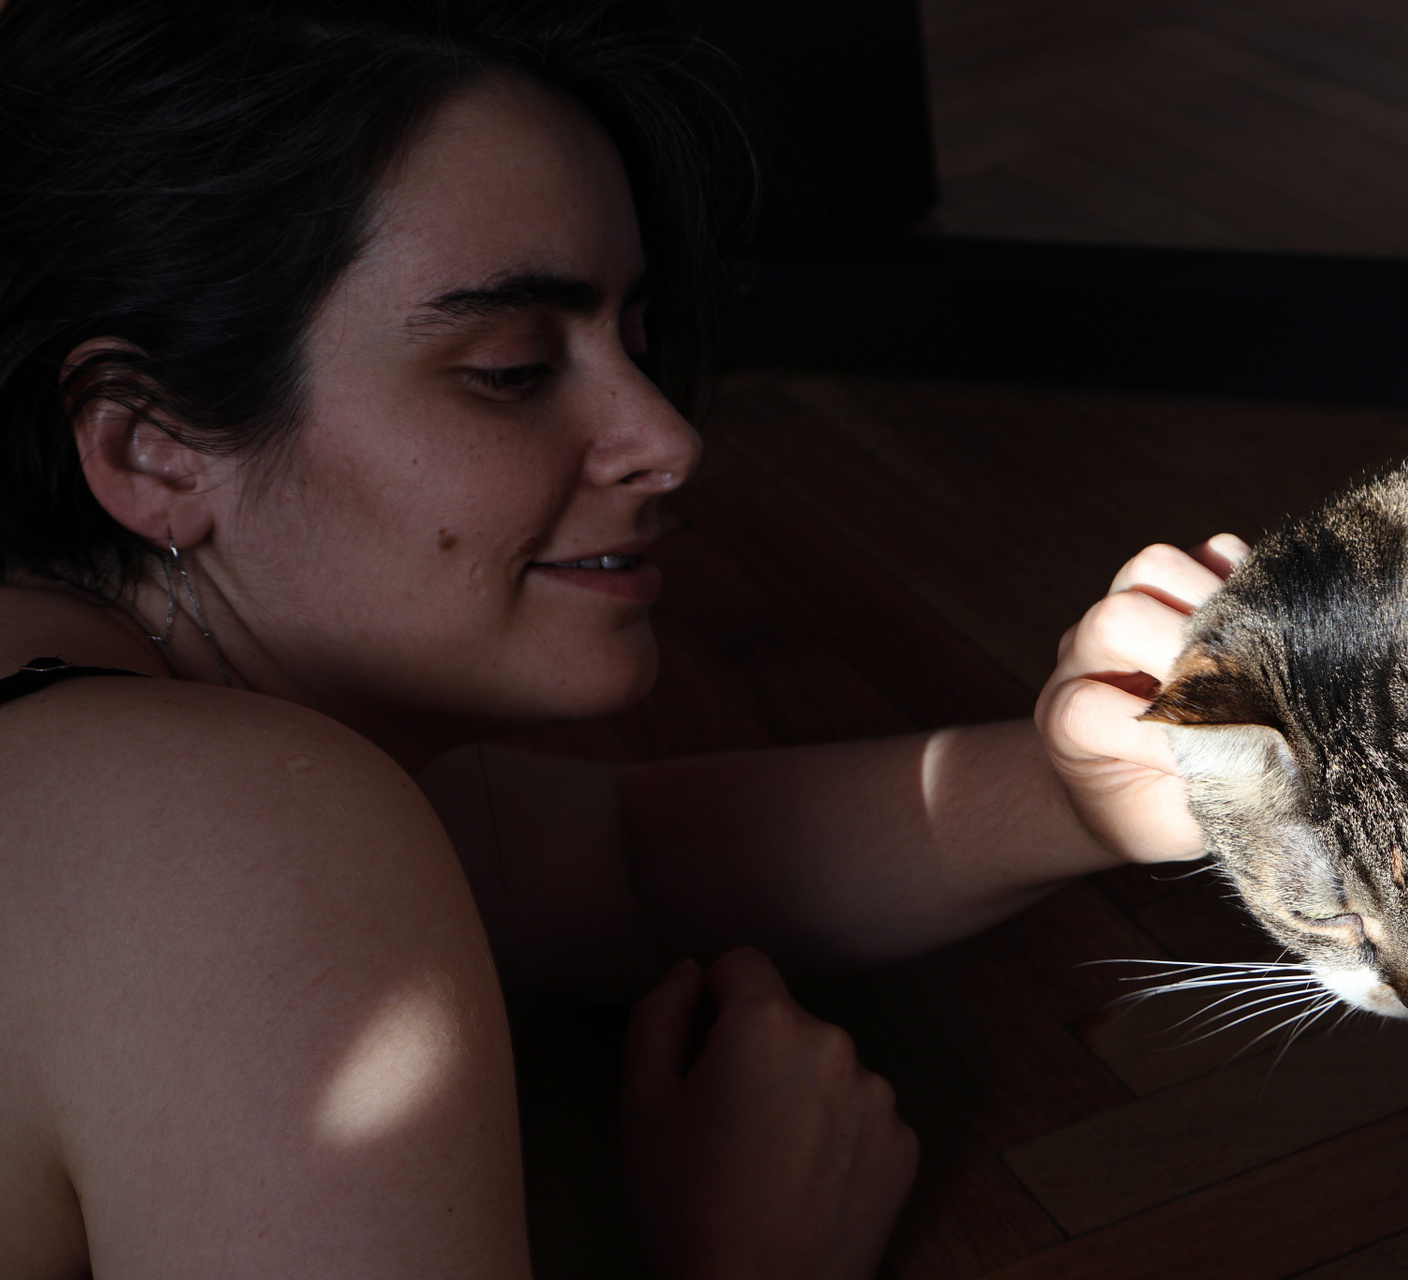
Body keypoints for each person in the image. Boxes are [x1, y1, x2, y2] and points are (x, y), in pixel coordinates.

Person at [0, 2, 1250, 1276]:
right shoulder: (216, 828)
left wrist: (1084, 784)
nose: (670, 438)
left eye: (636, 344)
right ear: (153, 446)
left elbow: (628, 859)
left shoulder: (116, 742)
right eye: (511, 367)